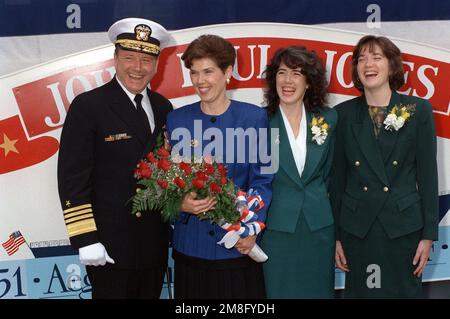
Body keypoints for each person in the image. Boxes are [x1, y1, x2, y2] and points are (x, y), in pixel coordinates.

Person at [57, 18, 173, 299]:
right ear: (115, 59)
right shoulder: (88, 106)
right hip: (109, 245)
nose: (138, 67)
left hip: (153, 242)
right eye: (129, 57)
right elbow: (72, 178)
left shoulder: (163, 107)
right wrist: (86, 239)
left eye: (146, 59)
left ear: (157, 64)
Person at [329, 35, 438, 298]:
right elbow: (336, 180)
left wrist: (428, 235)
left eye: (376, 57)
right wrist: (336, 237)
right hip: (358, 228)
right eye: (362, 59)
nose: (368, 64)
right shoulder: (342, 114)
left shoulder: (418, 110)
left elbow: (427, 176)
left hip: (402, 228)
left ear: (392, 66)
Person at [166, 34, 273, 299]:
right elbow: (166, 180)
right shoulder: (175, 119)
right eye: (194, 73)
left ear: (228, 72)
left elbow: (264, 180)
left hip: (237, 248)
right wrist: (179, 203)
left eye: (208, 72)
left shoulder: (255, 117)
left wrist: (253, 229)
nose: (200, 81)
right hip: (191, 247)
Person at [259, 46, 337, 298]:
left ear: (309, 83)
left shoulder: (328, 119)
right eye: (282, 73)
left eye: (296, 73)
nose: (287, 81)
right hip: (276, 230)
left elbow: (330, 175)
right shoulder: (260, 121)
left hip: (319, 230)